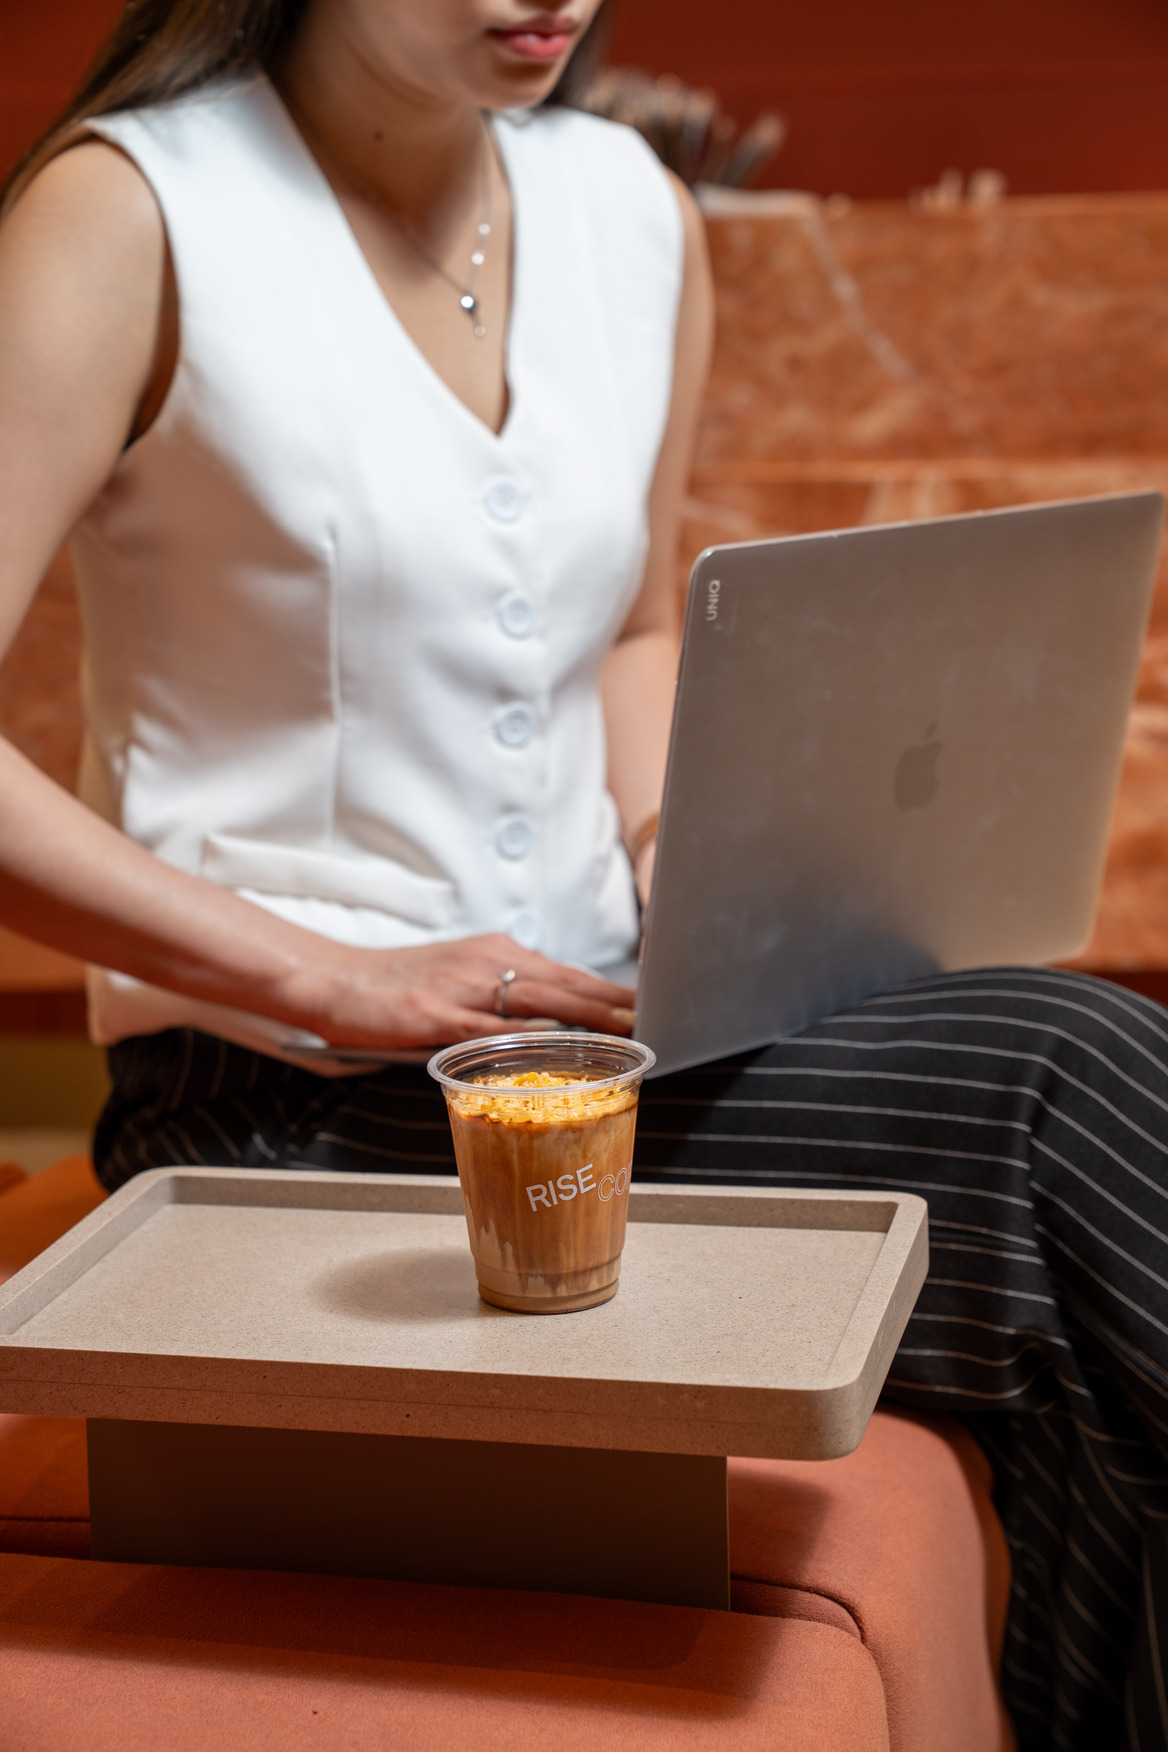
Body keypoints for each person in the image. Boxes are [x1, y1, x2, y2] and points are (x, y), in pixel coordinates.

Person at [0, 3, 1166, 1745]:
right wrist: (332, 977)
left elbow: (626, 631)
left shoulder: (631, 204)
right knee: (1065, 1083)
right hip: (288, 1095)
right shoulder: (129, 210)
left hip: (602, 1039)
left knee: (1054, 1112)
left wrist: (671, 847)